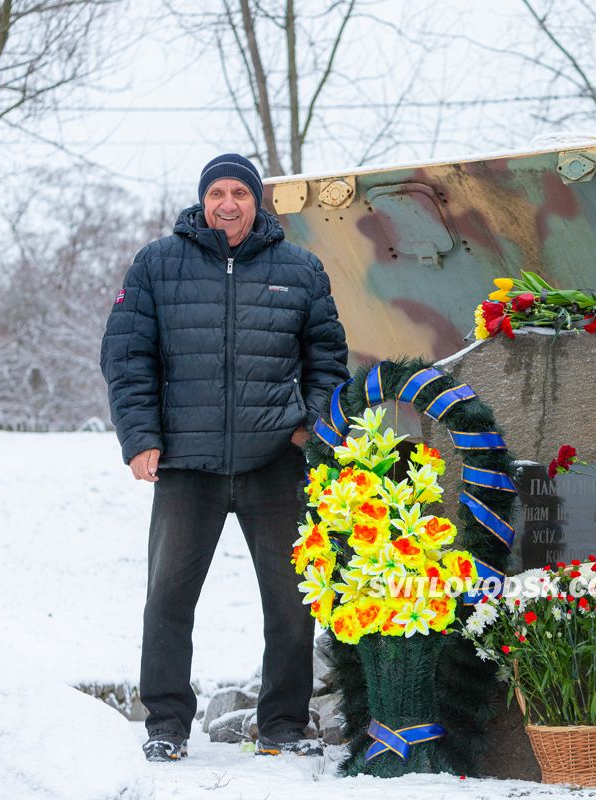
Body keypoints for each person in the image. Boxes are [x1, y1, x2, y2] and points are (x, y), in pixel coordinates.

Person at [101, 153, 350, 761]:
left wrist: (307, 428)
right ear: (202, 200)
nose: (228, 203)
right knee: (168, 599)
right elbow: (128, 357)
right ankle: (164, 725)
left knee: (292, 601)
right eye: (218, 193)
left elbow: (328, 360)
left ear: (257, 200)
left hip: (275, 463)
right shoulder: (158, 264)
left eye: (240, 191)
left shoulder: (300, 268)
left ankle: (285, 726)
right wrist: (141, 438)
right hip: (186, 464)